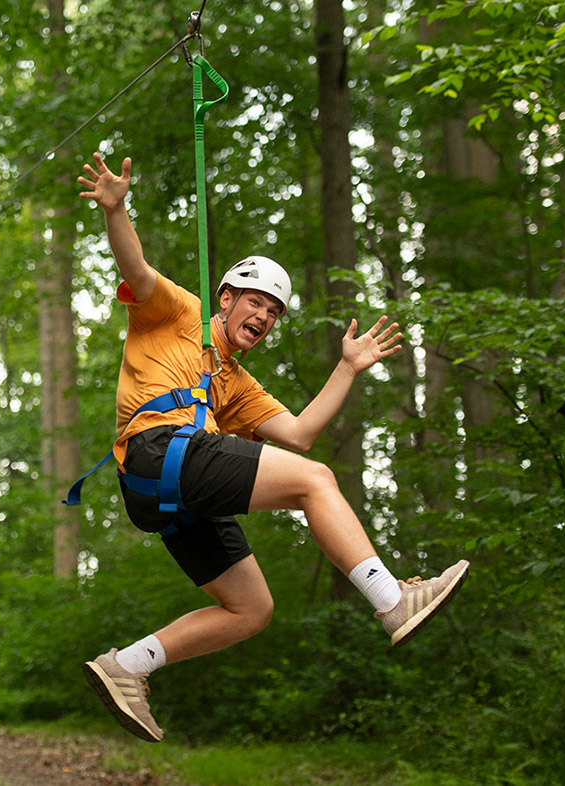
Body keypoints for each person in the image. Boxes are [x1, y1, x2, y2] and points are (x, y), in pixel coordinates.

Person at [76, 152, 470, 743]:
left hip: (164, 493)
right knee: (315, 482)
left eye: (274, 311)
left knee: (251, 610)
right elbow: (136, 266)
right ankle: (392, 601)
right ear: (226, 298)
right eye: (255, 301)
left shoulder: (236, 384)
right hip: (159, 452)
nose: (263, 315)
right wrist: (117, 208)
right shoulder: (179, 314)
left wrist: (348, 367)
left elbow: (300, 433)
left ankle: (126, 666)